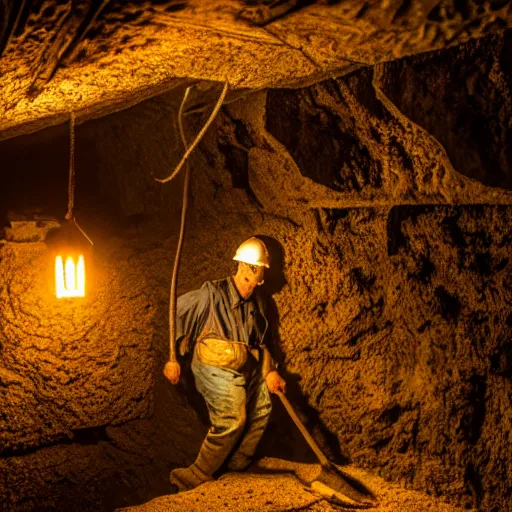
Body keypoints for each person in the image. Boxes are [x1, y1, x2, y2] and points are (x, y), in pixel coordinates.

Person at [163, 237, 286, 491]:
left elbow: (262, 345)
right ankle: (195, 474)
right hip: (213, 366)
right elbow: (175, 312)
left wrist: (270, 372)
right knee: (232, 417)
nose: (253, 283)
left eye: (258, 276)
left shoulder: (259, 301)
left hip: (243, 368)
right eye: (250, 274)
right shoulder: (211, 294)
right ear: (242, 267)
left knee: (262, 405)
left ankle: (237, 463)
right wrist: (173, 356)